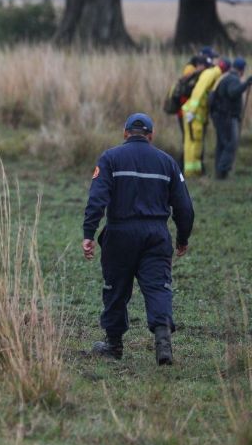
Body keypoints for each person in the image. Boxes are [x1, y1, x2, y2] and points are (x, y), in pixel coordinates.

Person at [83, 113, 194, 365]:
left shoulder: (110, 158)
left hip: (119, 235)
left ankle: (113, 345)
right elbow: (185, 207)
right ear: (151, 136)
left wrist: (89, 233)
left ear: (125, 133)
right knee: (158, 288)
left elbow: (97, 199)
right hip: (156, 236)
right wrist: (182, 237)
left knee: (116, 290)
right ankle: (163, 342)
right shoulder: (167, 162)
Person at [181, 55, 226, 177]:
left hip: (196, 115)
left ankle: (195, 171)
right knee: (192, 143)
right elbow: (198, 91)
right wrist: (192, 111)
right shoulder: (213, 74)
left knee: (194, 143)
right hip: (194, 114)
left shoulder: (212, 74)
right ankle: (191, 172)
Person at [210, 57, 252, 179]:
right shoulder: (234, 79)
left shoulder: (225, 78)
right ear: (242, 70)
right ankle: (223, 170)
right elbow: (233, 93)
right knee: (231, 144)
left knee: (222, 144)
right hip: (227, 117)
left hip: (220, 116)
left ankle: (219, 173)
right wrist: (246, 83)